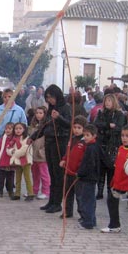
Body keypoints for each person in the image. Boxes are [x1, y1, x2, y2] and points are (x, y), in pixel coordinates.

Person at [31, 85, 72, 214]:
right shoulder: (50, 109)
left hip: (60, 142)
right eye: (47, 98)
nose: (49, 100)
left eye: (51, 97)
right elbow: (44, 126)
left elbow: (70, 124)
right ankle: (52, 201)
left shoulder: (66, 108)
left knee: (58, 174)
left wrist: (58, 117)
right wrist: (33, 137)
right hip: (49, 142)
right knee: (52, 173)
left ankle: (57, 203)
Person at [94, 93, 125, 200]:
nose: (107, 103)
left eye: (109, 101)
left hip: (113, 144)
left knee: (111, 169)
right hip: (101, 143)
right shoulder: (101, 113)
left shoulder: (119, 114)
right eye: (106, 101)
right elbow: (97, 124)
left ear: (114, 102)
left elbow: (119, 128)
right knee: (101, 169)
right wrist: (108, 125)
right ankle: (100, 191)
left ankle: (110, 190)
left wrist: (107, 129)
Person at [60, 116, 88, 219]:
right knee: (67, 193)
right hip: (68, 171)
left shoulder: (84, 142)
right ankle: (67, 211)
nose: (76, 130)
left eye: (79, 127)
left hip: (77, 173)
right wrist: (63, 159)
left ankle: (82, 214)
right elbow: (68, 152)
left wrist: (80, 169)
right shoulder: (71, 139)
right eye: (74, 127)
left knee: (80, 195)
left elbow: (84, 157)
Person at [75, 123, 100, 230]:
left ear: (94, 136)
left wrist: (80, 173)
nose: (85, 137)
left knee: (87, 200)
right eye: (84, 135)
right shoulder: (92, 146)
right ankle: (92, 220)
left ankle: (88, 222)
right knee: (90, 200)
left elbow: (88, 164)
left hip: (88, 178)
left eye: (88, 135)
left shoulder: (91, 148)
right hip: (91, 177)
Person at [8, 122, 34, 201]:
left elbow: (24, 150)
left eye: (20, 128)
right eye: (16, 129)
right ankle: (17, 193)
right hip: (17, 161)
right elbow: (8, 149)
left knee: (27, 178)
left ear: (24, 129)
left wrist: (14, 153)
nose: (18, 130)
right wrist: (12, 151)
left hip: (25, 160)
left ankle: (30, 193)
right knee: (18, 178)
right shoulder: (13, 139)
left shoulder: (27, 138)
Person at [29, 106, 50, 201]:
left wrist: (43, 151)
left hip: (42, 154)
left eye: (41, 113)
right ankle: (34, 190)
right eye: (37, 113)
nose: (38, 115)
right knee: (35, 174)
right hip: (33, 154)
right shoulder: (32, 125)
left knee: (44, 174)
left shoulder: (47, 126)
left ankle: (46, 191)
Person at [0, 122, 17, 198]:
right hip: (3, 160)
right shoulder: (3, 138)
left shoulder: (15, 139)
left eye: (10, 128)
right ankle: (0, 190)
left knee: (10, 177)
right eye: (6, 128)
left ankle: (10, 190)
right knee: (1, 177)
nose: (8, 130)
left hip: (11, 161)